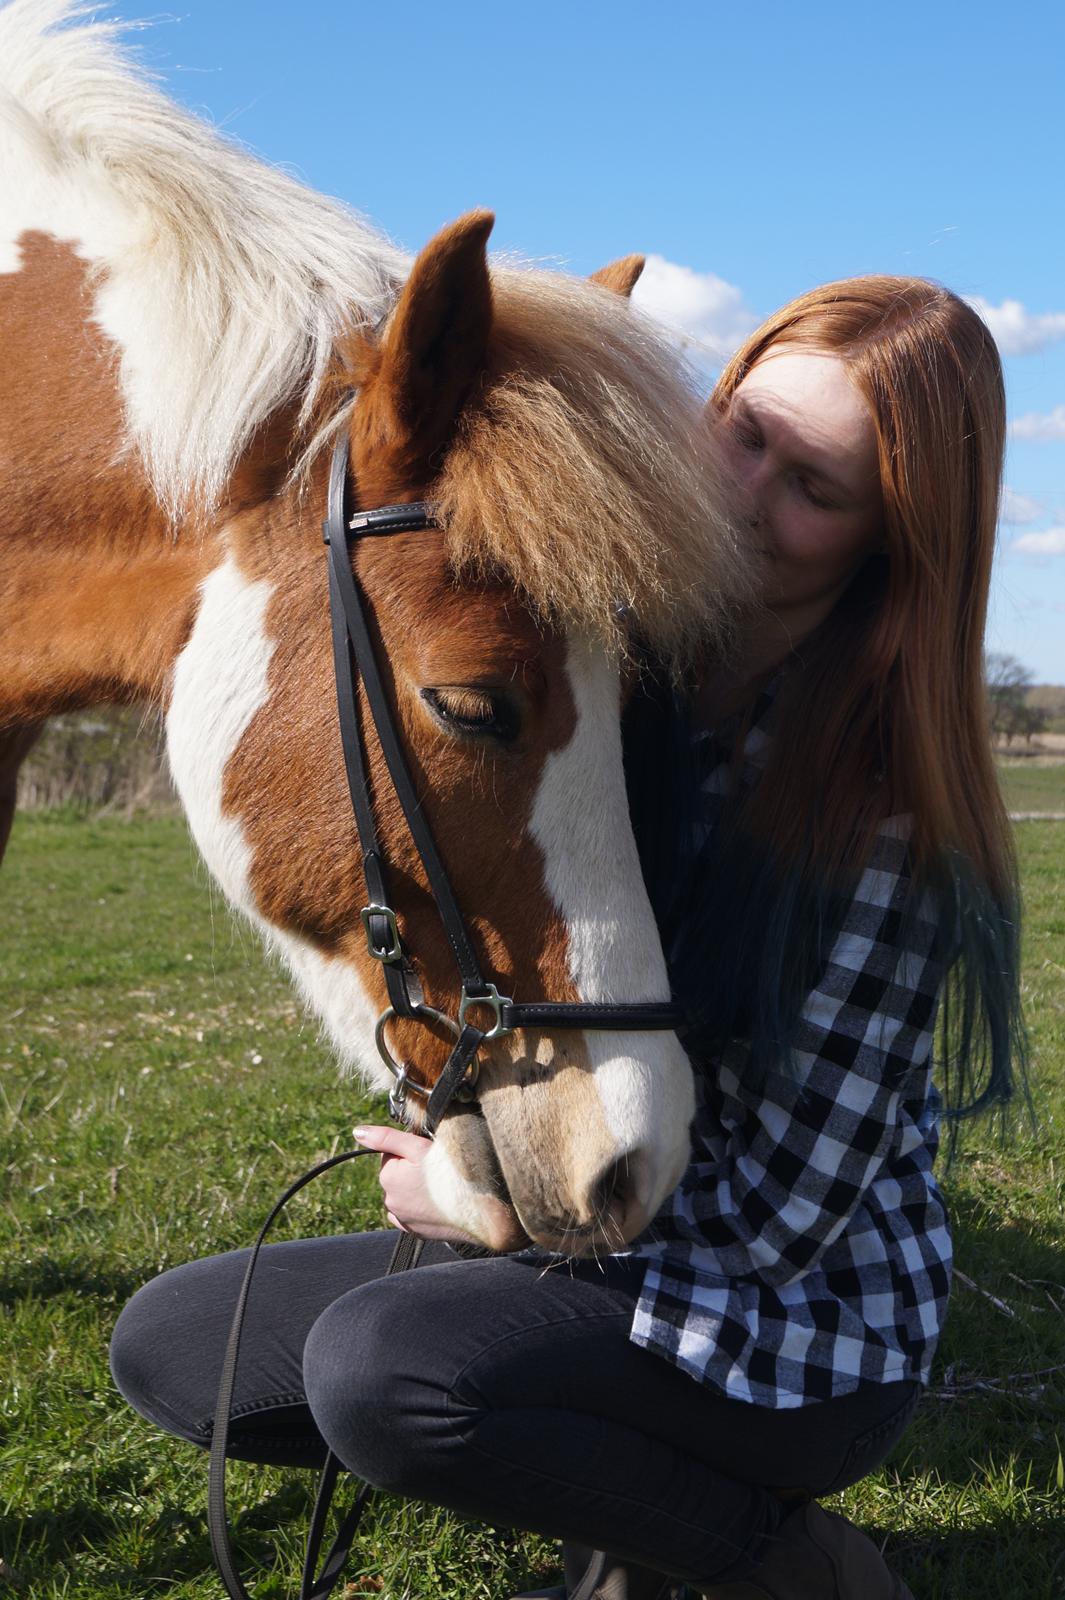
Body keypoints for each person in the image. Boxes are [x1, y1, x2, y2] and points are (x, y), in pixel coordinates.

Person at [109, 276, 1024, 1600]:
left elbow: (773, 1229)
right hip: (593, 1232)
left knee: (388, 1374)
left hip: (796, 1337)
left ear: (887, 546)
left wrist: (473, 1207)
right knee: (180, 1345)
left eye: (812, 489)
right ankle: (617, 1492)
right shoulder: (609, 668)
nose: (743, 493)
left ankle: (785, 1563)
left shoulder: (882, 818)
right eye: (743, 431)